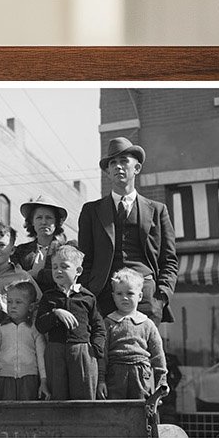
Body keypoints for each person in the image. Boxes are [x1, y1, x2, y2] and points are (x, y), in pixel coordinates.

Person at [77, 137, 178, 322]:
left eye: (124, 161)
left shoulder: (157, 210)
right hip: (104, 295)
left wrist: (161, 296)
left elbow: (169, 259)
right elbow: (85, 258)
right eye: (113, 163)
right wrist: (89, 293)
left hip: (146, 296)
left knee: (143, 350)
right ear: (108, 172)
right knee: (105, 349)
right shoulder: (91, 211)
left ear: (136, 168)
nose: (118, 167)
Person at [34, 244, 106, 401]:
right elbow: (40, 325)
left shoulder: (87, 298)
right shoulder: (49, 297)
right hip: (55, 350)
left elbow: (99, 327)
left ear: (78, 271)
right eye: (54, 267)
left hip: (81, 351)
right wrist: (55, 313)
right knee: (57, 396)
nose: (58, 271)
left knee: (83, 396)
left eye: (64, 266)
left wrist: (94, 351)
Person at [103, 268, 169, 403]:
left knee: (141, 411)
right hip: (115, 374)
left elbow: (158, 356)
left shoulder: (147, 324)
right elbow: (102, 355)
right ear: (113, 296)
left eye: (130, 293)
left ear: (140, 296)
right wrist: (100, 380)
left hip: (141, 374)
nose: (124, 297)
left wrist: (161, 382)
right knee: (115, 411)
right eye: (119, 293)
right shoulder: (108, 322)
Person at [0, 279, 48, 401]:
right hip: (4, 380)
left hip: (30, 380)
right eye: (9, 302)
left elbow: (41, 357)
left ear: (31, 306)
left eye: (18, 302)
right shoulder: (0, 329)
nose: (12, 306)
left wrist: (43, 381)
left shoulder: (35, 329)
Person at [11, 195, 71, 291]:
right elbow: (15, 276)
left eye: (49, 218)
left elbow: (65, 275)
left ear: (56, 222)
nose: (43, 222)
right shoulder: (20, 251)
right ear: (32, 222)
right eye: (39, 217)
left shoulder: (64, 251)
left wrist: (36, 274)